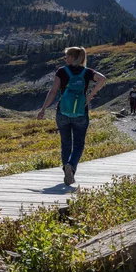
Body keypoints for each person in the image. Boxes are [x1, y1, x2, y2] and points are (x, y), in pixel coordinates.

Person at [37, 46, 106, 185]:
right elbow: (102, 79)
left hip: (62, 112)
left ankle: (67, 170)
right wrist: (90, 96)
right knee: (79, 143)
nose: (65, 58)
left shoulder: (62, 71)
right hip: (81, 112)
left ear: (74, 57)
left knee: (65, 143)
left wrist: (43, 108)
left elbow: (53, 92)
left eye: (67, 56)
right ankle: (71, 166)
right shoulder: (86, 72)